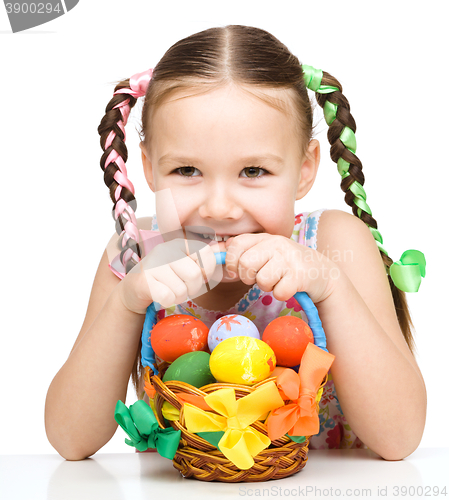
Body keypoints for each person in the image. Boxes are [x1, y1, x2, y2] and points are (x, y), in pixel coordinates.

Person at [45, 25, 426, 462]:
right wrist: (127, 301)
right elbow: (70, 440)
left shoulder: (334, 243)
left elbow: (400, 437)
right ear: (148, 167)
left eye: (253, 171)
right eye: (187, 170)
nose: (220, 207)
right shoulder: (135, 254)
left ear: (304, 169)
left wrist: (330, 286)